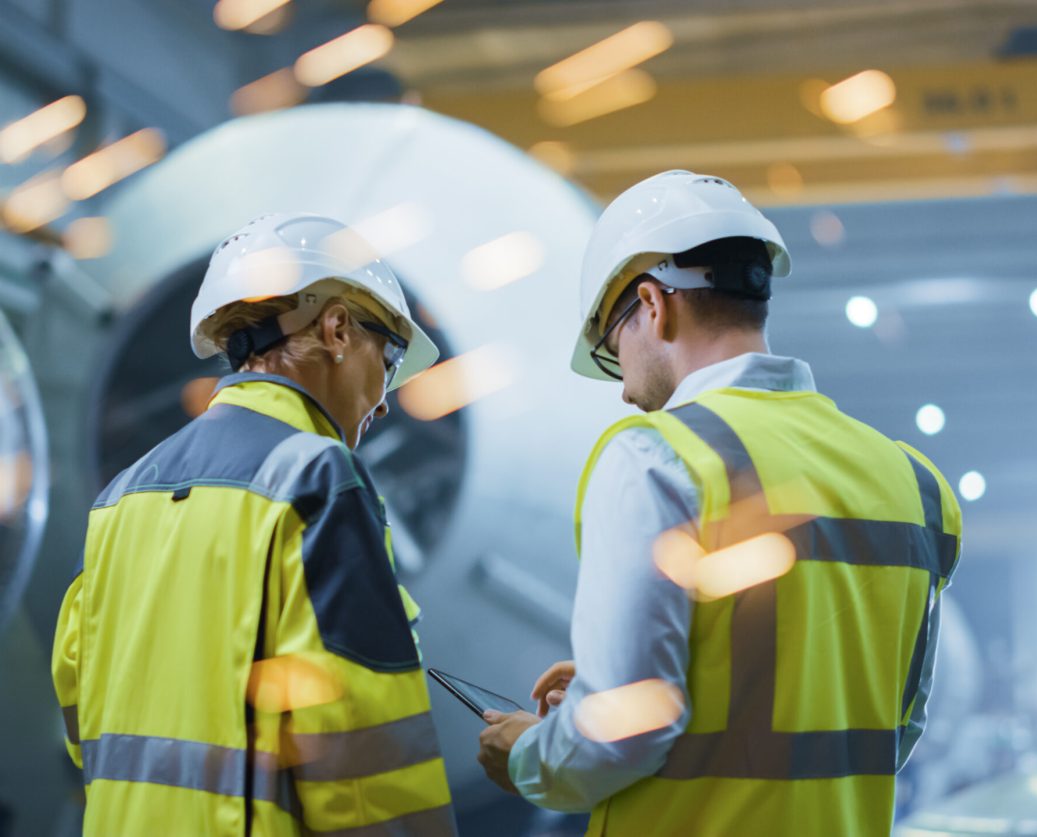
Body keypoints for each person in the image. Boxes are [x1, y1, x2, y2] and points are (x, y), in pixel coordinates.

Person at [478, 171, 962, 835]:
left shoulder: (658, 458)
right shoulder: (915, 484)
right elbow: (885, 724)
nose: (623, 391)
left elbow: (625, 733)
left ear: (653, 304)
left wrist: (530, 754)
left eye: (615, 353)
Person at [52, 213, 457, 836]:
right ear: (338, 328)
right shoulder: (315, 479)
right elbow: (363, 761)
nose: (383, 397)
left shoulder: (120, 497)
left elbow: (82, 716)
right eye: (391, 357)